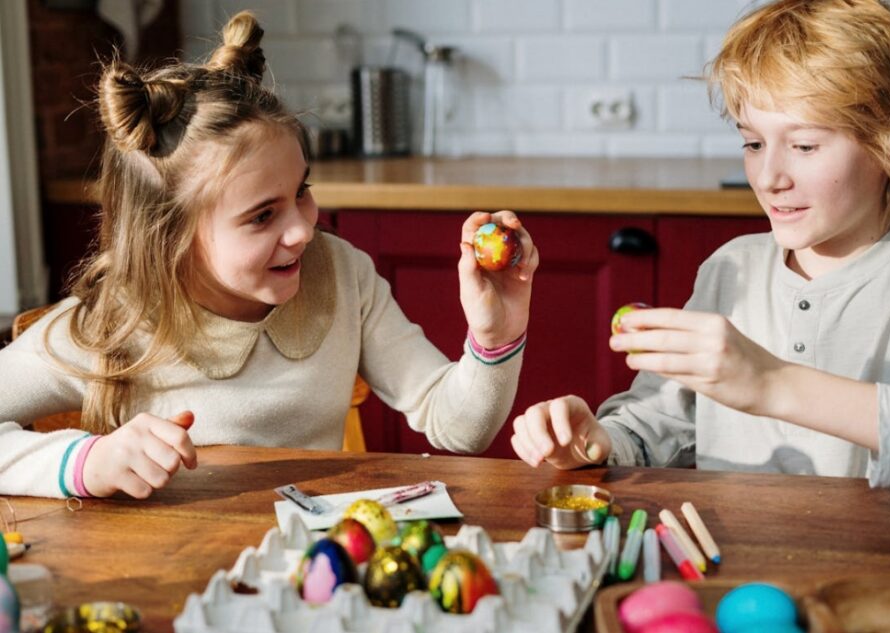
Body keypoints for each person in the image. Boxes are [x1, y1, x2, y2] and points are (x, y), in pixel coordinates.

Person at [0, 11, 537, 500]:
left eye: (302, 190)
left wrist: (495, 337)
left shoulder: (343, 275)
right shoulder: (112, 325)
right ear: (170, 238)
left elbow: (461, 427)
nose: (303, 230)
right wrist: (86, 462)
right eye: (262, 216)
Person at [510, 0, 890, 498]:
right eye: (753, 143)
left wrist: (773, 384)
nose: (769, 177)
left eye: (803, 146)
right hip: (734, 569)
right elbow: (659, 420)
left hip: (883, 583)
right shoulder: (732, 269)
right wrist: (599, 441)